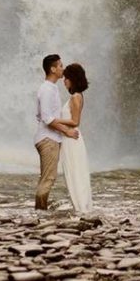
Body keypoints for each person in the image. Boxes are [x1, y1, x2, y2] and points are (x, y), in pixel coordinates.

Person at [34, 54, 78, 210]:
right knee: (48, 178)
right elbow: (47, 118)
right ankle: (40, 213)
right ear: (52, 69)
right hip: (48, 139)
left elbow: (42, 116)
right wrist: (67, 131)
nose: (63, 68)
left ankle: (40, 211)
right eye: (60, 66)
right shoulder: (47, 89)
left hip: (49, 138)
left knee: (47, 178)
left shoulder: (51, 88)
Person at [59, 63, 93, 214]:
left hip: (72, 139)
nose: (64, 80)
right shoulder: (76, 96)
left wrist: (54, 120)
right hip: (70, 139)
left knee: (75, 172)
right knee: (74, 172)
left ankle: (81, 208)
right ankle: (80, 206)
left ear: (73, 79)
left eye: (66, 77)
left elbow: (75, 121)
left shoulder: (75, 97)